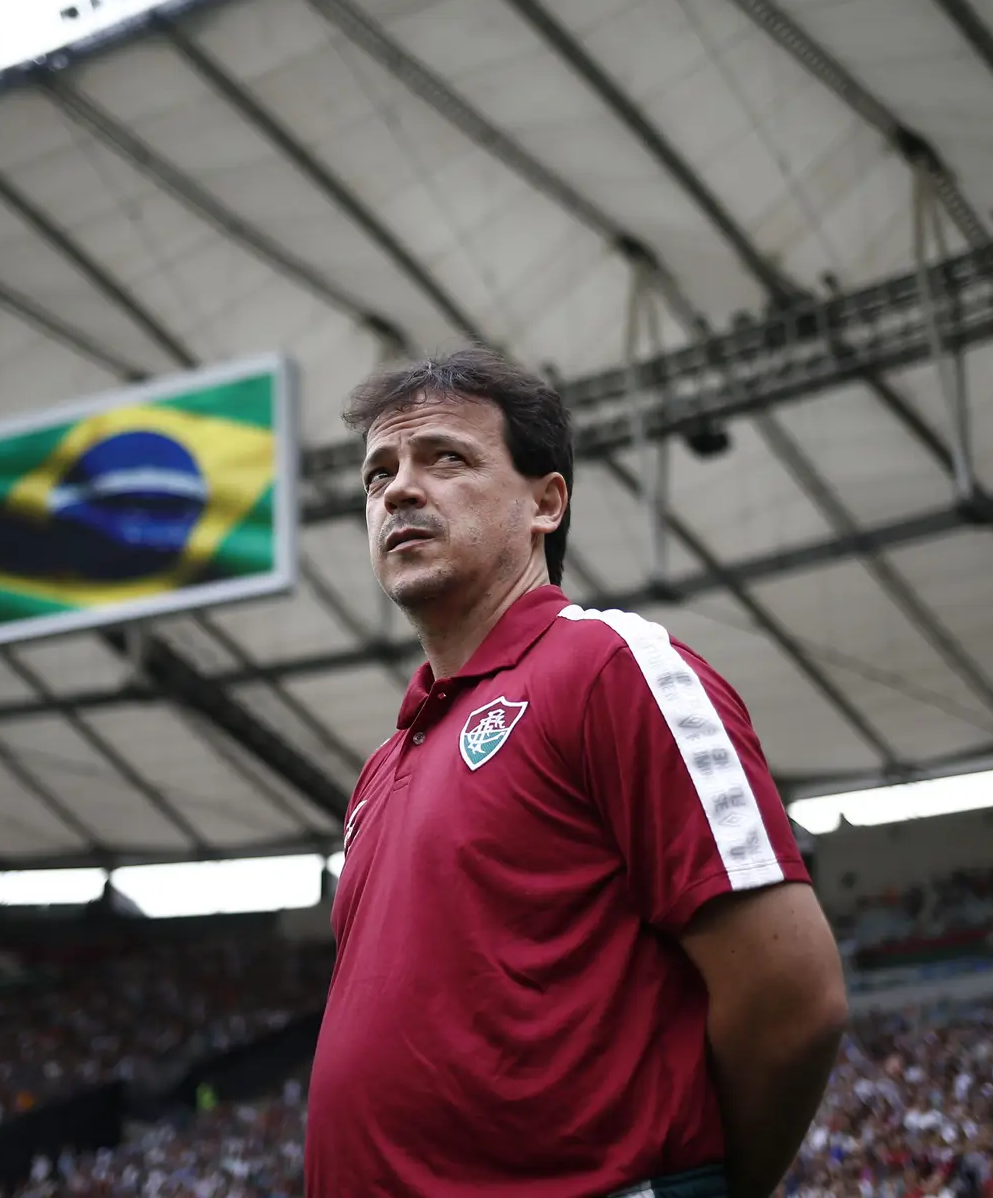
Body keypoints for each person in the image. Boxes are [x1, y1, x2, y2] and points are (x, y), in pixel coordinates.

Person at [305, 350, 848, 1197]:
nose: (398, 491)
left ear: (545, 503)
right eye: (379, 473)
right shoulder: (384, 763)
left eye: (445, 458)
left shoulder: (608, 667)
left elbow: (792, 996)